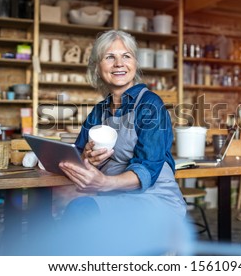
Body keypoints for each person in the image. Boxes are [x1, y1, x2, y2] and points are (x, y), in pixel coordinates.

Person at [52, 30, 188, 255]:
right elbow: (77, 156)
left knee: (81, 211)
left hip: (154, 202)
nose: (119, 64)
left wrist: (103, 182)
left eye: (126, 56)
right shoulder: (100, 110)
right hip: (115, 200)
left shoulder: (150, 105)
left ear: (135, 63)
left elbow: (146, 169)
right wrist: (87, 157)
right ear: (98, 67)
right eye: (109, 57)